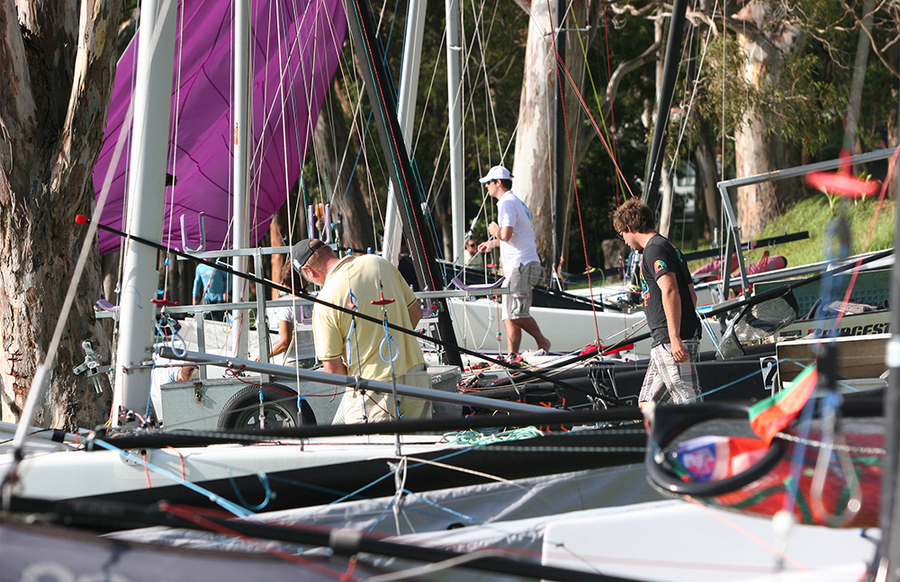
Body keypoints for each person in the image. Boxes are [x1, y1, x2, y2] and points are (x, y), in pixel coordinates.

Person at [290, 238, 431, 424]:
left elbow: (333, 370)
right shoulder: (378, 262)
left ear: (308, 271)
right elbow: (415, 312)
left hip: (372, 390)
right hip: (416, 378)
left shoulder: (325, 301)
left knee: (373, 452)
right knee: (422, 448)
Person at [612, 198, 702, 413]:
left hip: (671, 341)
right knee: (647, 405)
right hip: (664, 341)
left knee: (688, 400)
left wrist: (674, 337)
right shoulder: (669, 247)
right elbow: (691, 295)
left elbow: (670, 290)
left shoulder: (653, 250)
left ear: (630, 227)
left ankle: (706, 444)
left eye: (621, 234)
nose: (623, 241)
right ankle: (660, 446)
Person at [476, 165, 551, 362]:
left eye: (488, 183)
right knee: (509, 316)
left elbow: (507, 234)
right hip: (518, 266)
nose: (486, 187)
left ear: (498, 183)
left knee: (517, 314)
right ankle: (512, 357)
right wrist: (492, 243)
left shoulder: (506, 203)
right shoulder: (515, 201)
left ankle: (543, 342)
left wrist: (494, 231)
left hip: (522, 265)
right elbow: (515, 236)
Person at [258, 262, 316, 368]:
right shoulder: (316, 301)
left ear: (284, 283)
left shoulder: (287, 306)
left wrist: (265, 356)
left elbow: (285, 343)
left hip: (296, 361)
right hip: (318, 359)